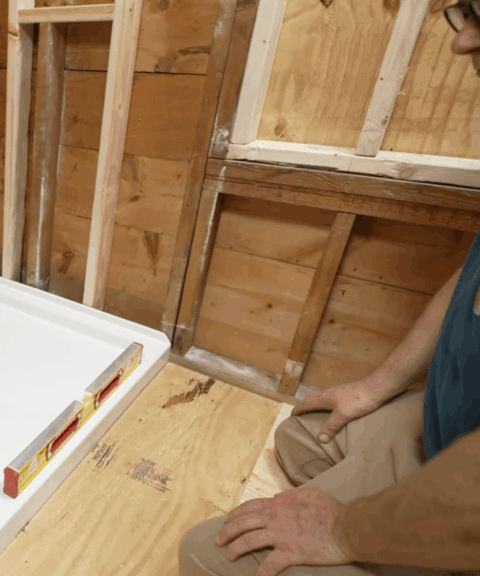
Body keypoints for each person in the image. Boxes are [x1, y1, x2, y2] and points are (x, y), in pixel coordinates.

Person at [179, 3, 480, 575]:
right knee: (300, 440)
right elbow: (470, 279)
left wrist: (340, 532)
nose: (463, 40)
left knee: (206, 556)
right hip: (449, 426)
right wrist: (378, 385)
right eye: (467, 11)